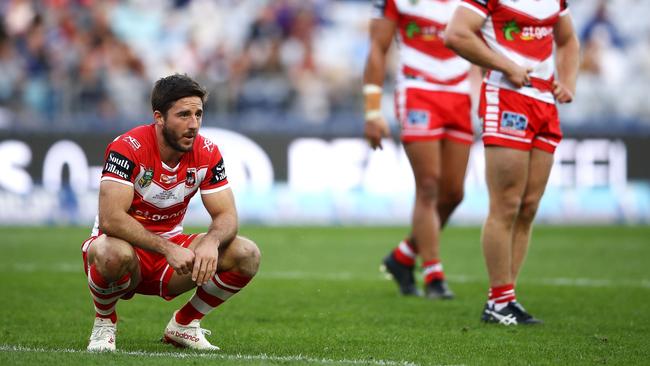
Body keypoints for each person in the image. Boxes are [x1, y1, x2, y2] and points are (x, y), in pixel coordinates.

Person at [81, 74, 261, 351]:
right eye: (184, 115)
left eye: (199, 114)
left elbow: (227, 215)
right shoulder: (127, 148)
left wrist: (212, 243)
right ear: (159, 117)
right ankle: (104, 322)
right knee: (111, 253)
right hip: (124, 249)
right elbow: (110, 219)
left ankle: (184, 325)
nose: (194, 125)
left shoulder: (208, 152)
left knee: (246, 254)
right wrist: (167, 248)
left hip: (171, 255)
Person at [445, 0, 579, 324]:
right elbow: (456, 34)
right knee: (506, 203)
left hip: (545, 102)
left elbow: (568, 40)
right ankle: (499, 300)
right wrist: (506, 65)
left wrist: (569, 81)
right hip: (507, 98)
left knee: (529, 205)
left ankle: (506, 300)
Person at [363, 0, 477, 299]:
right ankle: (434, 275)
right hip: (418, 91)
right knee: (428, 185)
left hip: (459, 92)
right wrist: (373, 111)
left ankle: (403, 256)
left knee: (453, 193)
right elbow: (378, 46)